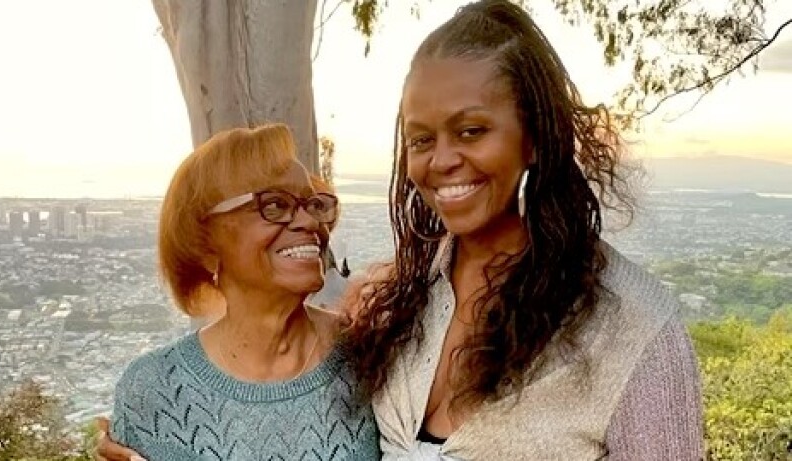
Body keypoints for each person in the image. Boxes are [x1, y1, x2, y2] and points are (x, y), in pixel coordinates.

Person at [345, 1, 703, 459]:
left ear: (534, 137)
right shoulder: (391, 306)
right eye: (421, 140)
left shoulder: (632, 329)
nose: (442, 160)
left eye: (471, 130)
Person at [104, 124, 379, 460]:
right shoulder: (154, 390)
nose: (309, 223)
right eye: (275, 205)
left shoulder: (371, 354)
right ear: (204, 244)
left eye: (313, 205)